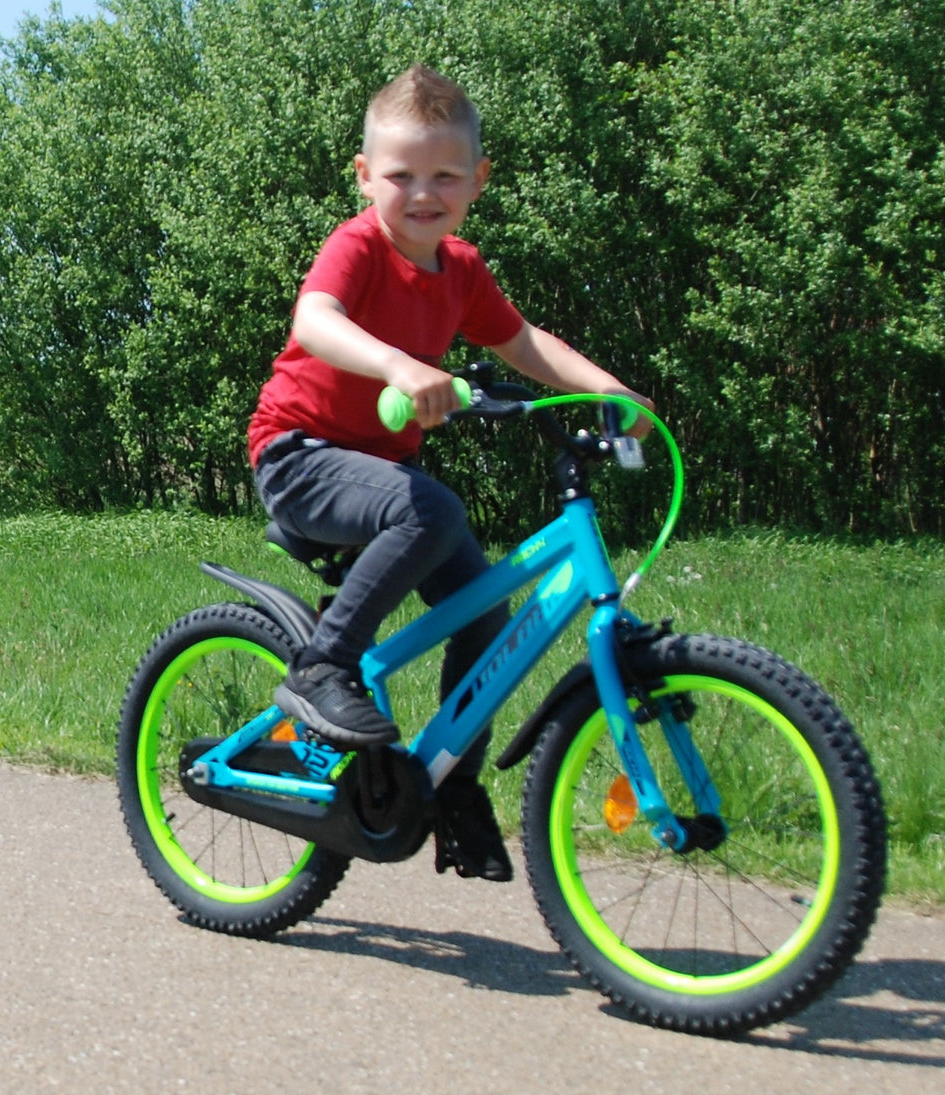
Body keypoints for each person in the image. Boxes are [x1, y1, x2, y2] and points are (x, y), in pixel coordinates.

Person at [248, 64, 653, 882]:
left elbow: (522, 342)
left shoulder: (460, 269)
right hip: (299, 454)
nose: (422, 193)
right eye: (401, 175)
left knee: (488, 613)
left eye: (444, 175)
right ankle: (321, 669)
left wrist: (606, 387)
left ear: (477, 180)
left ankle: (451, 786)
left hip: (381, 473)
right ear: (366, 177)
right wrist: (398, 367)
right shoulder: (359, 246)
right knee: (432, 511)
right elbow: (315, 321)